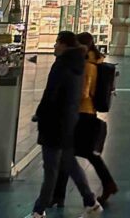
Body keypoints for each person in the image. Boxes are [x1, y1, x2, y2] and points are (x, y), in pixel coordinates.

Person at [30, 31, 102, 218]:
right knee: (69, 164)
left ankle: (39, 210)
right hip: (68, 121)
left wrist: (40, 114)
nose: (54, 46)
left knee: (51, 168)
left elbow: (50, 94)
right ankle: (91, 202)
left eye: (56, 42)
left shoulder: (61, 65)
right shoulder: (79, 64)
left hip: (54, 123)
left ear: (64, 44)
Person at [52, 32, 118, 208]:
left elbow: (83, 92)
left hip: (81, 113)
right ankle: (59, 195)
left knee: (70, 153)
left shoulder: (87, 65)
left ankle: (60, 195)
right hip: (85, 113)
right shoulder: (93, 62)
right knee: (79, 153)